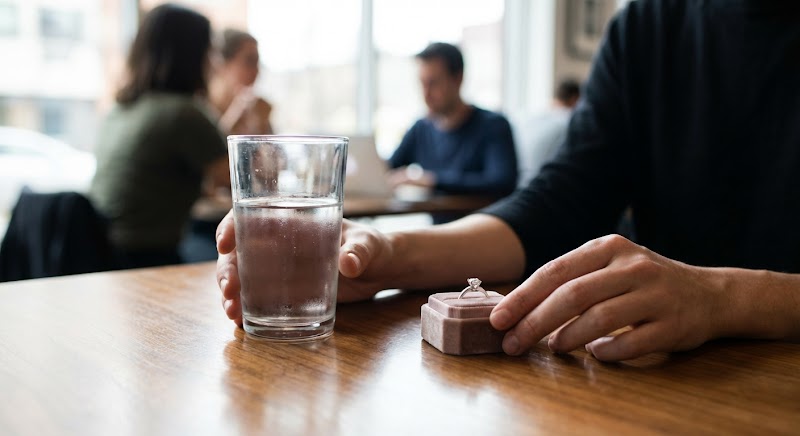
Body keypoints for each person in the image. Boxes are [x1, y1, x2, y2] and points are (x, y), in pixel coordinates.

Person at [216, 0, 800, 362]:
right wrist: (383, 254)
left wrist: (726, 296)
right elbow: (560, 206)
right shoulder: (649, 25)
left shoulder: (490, 125)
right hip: (662, 379)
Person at [90, 4, 229, 269]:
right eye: (209, 50)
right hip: (144, 259)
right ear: (194, 54)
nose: (213, 61)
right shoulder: (184, 113)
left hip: (100, 252)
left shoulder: (121, 109)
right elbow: (246, 184)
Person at [386, 42, 518, 203]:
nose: (426, 94)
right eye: (422, 83)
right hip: (437, 227)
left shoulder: (494, 125)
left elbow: (501, 182)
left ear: (458, 79)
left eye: (433, 83)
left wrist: (432, 181)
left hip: (478, 224)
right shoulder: (421, 128)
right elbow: (388, 168)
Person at [514, 79, 580, 187]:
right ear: (575, 99)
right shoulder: (570, 120)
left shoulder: (527, 114)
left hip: (516, 184)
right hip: (543, 186)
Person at [208, 28, 274, 135]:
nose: (256, 71)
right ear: (222, 64)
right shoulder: (202, 108)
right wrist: (232, 118)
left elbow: (271, 152)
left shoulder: (257, 111)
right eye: (250, 61)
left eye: (258, 63)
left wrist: (262, 129)